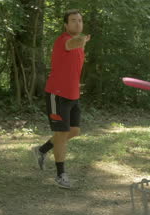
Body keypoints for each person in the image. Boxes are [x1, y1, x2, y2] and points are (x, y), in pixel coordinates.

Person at [32, 9, 90, 188]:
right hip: (57, 95)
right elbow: (72, 44)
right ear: (66, 25)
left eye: (80, 20)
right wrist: (83, 39)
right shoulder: (63, 40)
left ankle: (41, 150)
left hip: (73, 95)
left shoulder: (79, 45)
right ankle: (60, 175)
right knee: (61, 133)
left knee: (74, 131)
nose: (78, 23)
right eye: (73, 20)